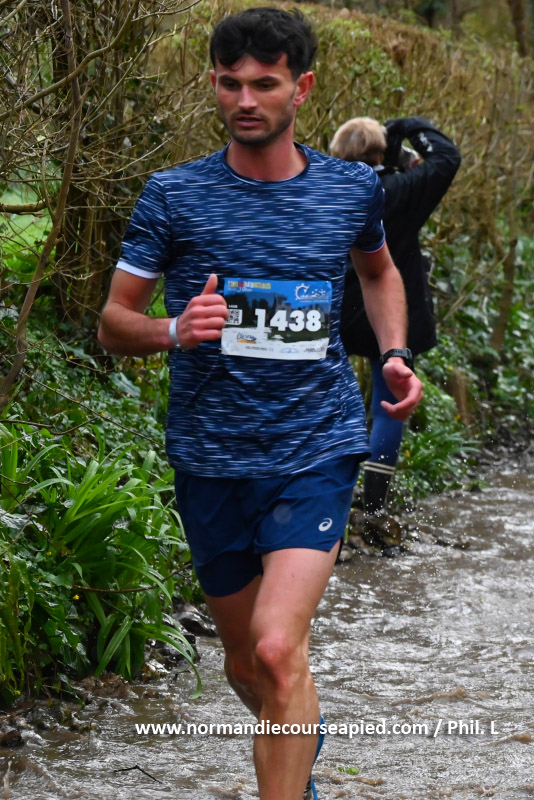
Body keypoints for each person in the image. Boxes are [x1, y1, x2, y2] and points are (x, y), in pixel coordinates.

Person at [98, 9, 423, 799]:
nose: (246, 100)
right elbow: (113, 322)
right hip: (211, 457)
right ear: (214, 84)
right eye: (230, 83)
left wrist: (393, 353)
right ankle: (298, 753)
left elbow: (379, 272)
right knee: (248, 666)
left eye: (265, 84)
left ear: (300, 89)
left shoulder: (350, 188)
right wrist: (175, 328)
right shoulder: (174, 196)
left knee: (278, 650)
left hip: (316, 446)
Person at [330, 115, 461, 524]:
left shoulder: (326, 188)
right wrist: (406, 126)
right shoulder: (402, 189)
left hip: (333, 308)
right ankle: (372, 508)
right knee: (389, 405)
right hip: (389, 311)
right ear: (383, 153)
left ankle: (325, 495)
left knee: (325, 396)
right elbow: (446, 157)